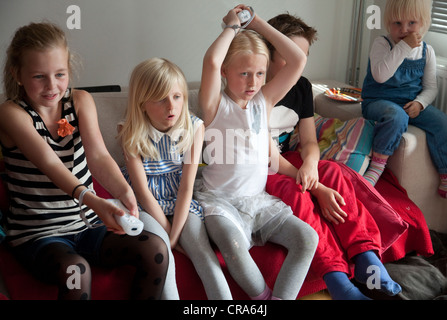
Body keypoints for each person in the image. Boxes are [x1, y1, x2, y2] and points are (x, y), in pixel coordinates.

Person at [0, 22, 169, 300]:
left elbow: (99, 156)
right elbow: (50, 164)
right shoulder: (11, 113)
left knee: (157, 251)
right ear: (17, 74)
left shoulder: (80, 101)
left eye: (60, 74)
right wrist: (95, 201)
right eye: (39, 76)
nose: (52, 86)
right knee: (76, 271)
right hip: (39, 235)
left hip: (87, 226)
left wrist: (125, 193)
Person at [265, 13, 402, 300]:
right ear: (267, 51)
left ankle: (366, 257)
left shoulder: (301, 87)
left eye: (302, 56)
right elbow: (267, 159)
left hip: (288, 157)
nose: (297, 63)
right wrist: (316, 187)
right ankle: (338, 279)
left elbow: (309, 143)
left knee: (334, 171)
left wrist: (313, 166)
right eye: (289, 55)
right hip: (260, 166)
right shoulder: (253, 88)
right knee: (298, 191)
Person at [194, 5, 319, 300]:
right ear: (226, 72)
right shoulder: (214, 106)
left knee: (307, 238)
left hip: (258, 202)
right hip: (220, 203)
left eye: (260, 74)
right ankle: (261, 298)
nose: (253, 82)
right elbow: (211, 61)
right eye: (244, 74)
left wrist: (257, 22)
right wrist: (232, 26)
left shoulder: (264, 101)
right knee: (232, 244)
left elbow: (297, 59)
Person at [118, 57, 232, 300]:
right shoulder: (129, 131)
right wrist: (168, 237)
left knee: (201, 250)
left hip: (180, 194)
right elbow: (142, 192)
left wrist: (176, 234)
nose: (171, 106)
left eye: (177, 97)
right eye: (161, 99)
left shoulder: (194, 127)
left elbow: (187, 186)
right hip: (144, 203)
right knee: (162, 255)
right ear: (142, 102)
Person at [361, 0, 447, 198]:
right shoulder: (381, 44)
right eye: (397, 24)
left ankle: (446, 174)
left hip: (411, 103)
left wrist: (420, 103)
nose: (404, 29)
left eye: (412, 23)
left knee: (444, 123)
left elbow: (430, 87)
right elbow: (380, 76)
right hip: (378, 101)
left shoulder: (427, 51)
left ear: (424, 23)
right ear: (388, 23)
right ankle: (377, 166)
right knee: (397, 116)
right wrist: (402, 47)